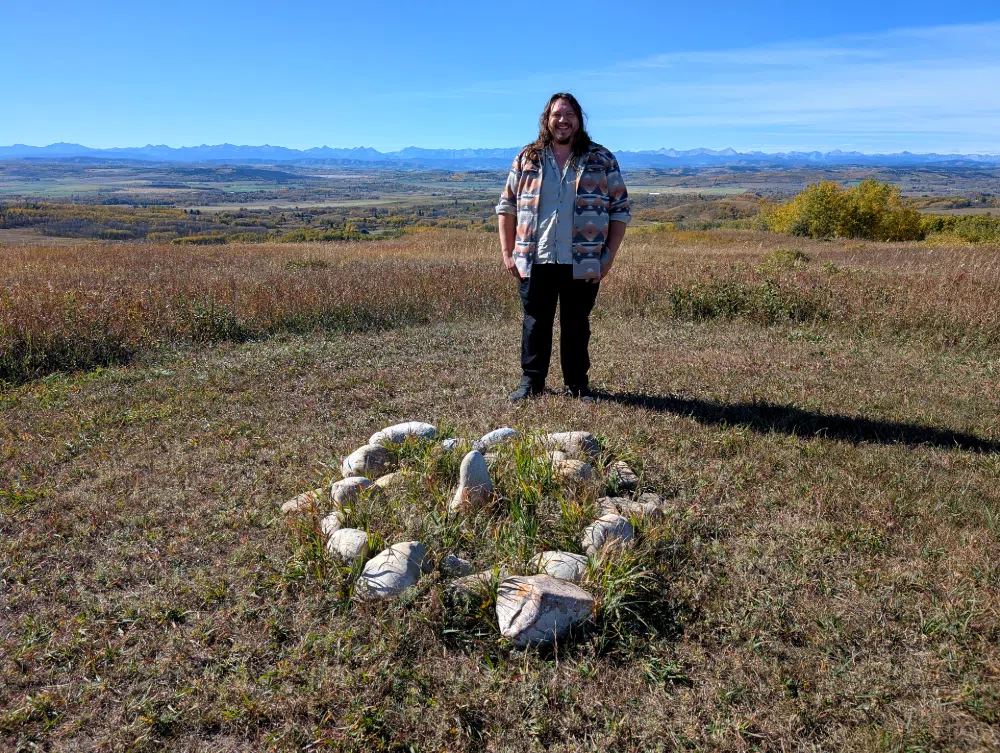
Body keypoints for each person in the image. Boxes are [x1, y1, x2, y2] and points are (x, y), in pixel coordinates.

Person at [495, 92, 630, 402]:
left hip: (583, 258)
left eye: (569, 114)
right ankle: (531, 383)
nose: (563, 120)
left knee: (576, 325)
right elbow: (507, 206)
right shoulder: (528, 157)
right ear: (547, 119)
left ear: (579, 120)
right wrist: (507, 252)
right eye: (557, 114)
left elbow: (620, 209)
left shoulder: (601, 158)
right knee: (534, 324)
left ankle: (578, 385)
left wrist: (608, 257)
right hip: (534, 257)